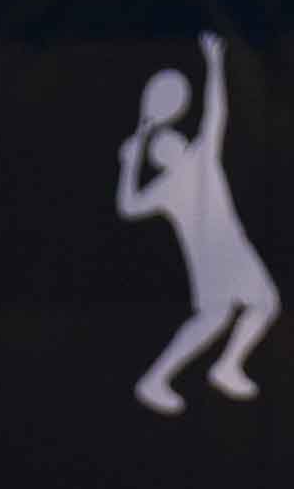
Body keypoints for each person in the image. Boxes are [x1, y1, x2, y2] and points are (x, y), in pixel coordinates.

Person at [119, 37, 278, 414]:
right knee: (256, 306)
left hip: (221, 256)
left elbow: (216, 112)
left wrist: (129, 163)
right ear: (164, 158)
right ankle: (208, 369)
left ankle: (176, 374)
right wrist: (214, 64)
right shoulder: (192, 167)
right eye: (167, 144)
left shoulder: (185, 169)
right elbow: (128, 208)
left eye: (175, 137)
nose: (175, 140)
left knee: (228, 314)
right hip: (220, 258)